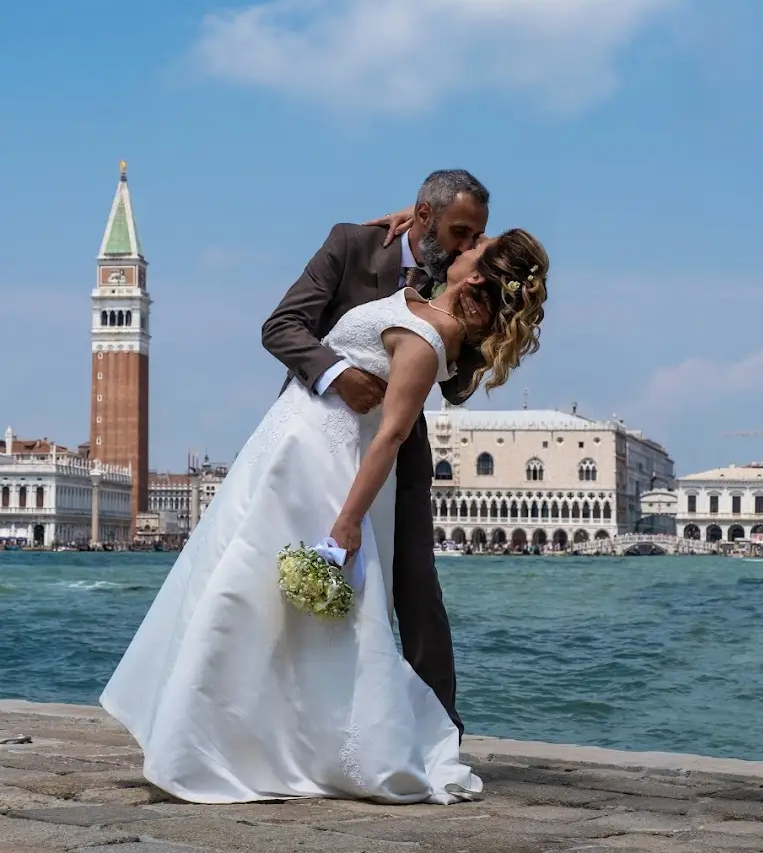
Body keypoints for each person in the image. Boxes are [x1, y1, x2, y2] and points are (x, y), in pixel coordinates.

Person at [99, 223, 550, 806]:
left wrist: (346, 524)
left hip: (324, 468)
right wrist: (409, 214)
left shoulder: (429, 336)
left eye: (474, 248)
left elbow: (389, 437)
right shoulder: (427, 296)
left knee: (255, 593)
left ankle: (226, 742)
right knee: (238, 585)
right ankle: (221, 732)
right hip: (292, 448)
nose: (463, 247)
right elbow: (288, 325)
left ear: (479, 277)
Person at [261, 170, 490, 742]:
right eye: (459, 230)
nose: (466, 245)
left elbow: (456, 389)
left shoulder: (465, 274)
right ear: (421, 214)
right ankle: (300, 724)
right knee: (291, 573)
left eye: (474, 235)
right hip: (319, 442)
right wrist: (339, 376)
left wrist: (477, 340)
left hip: (400, 454)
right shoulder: (351, 245)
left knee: (416, 587)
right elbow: (281, 327)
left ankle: (439, 733)